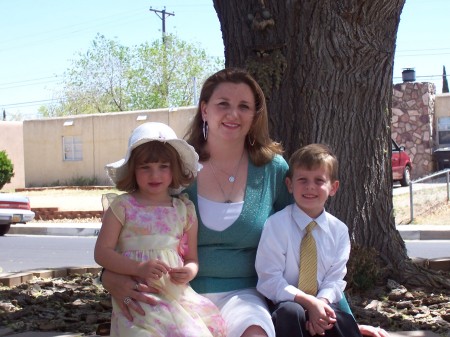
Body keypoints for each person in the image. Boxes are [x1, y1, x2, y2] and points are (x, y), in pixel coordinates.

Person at [100, 68, 390, 337]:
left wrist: (337, 315)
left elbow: (309, 239)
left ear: (255, 116)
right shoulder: (175, 171)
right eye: (222, 104)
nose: (233, 114)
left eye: (244, 106)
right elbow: (135, 234)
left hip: (245, 294)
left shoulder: (273, 171)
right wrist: (110, 277)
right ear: (204, 110)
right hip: (175, 295)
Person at [94, 122, 226, 337]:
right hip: (139, 295)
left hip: (175, 293)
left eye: (163, 166)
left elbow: (192, 258)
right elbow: (102, 252)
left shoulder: (183, 209)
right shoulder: (123, 206)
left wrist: (189, 271)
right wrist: (138, 268)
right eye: (145, 167)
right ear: (133, 170)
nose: (154, 174)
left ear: (174, 170)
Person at [255, 143, 361, 337]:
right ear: (289, 184)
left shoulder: (339, 231)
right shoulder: (276, 226)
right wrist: (307, 302)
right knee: (291, 312)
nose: (310, 186)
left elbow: (335, 280)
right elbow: (269, 279)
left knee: (343, 323)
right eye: (302, 179)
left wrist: (320, 305)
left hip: (322, 301)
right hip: (284, 303)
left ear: (333, 187)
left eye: (319, 180)